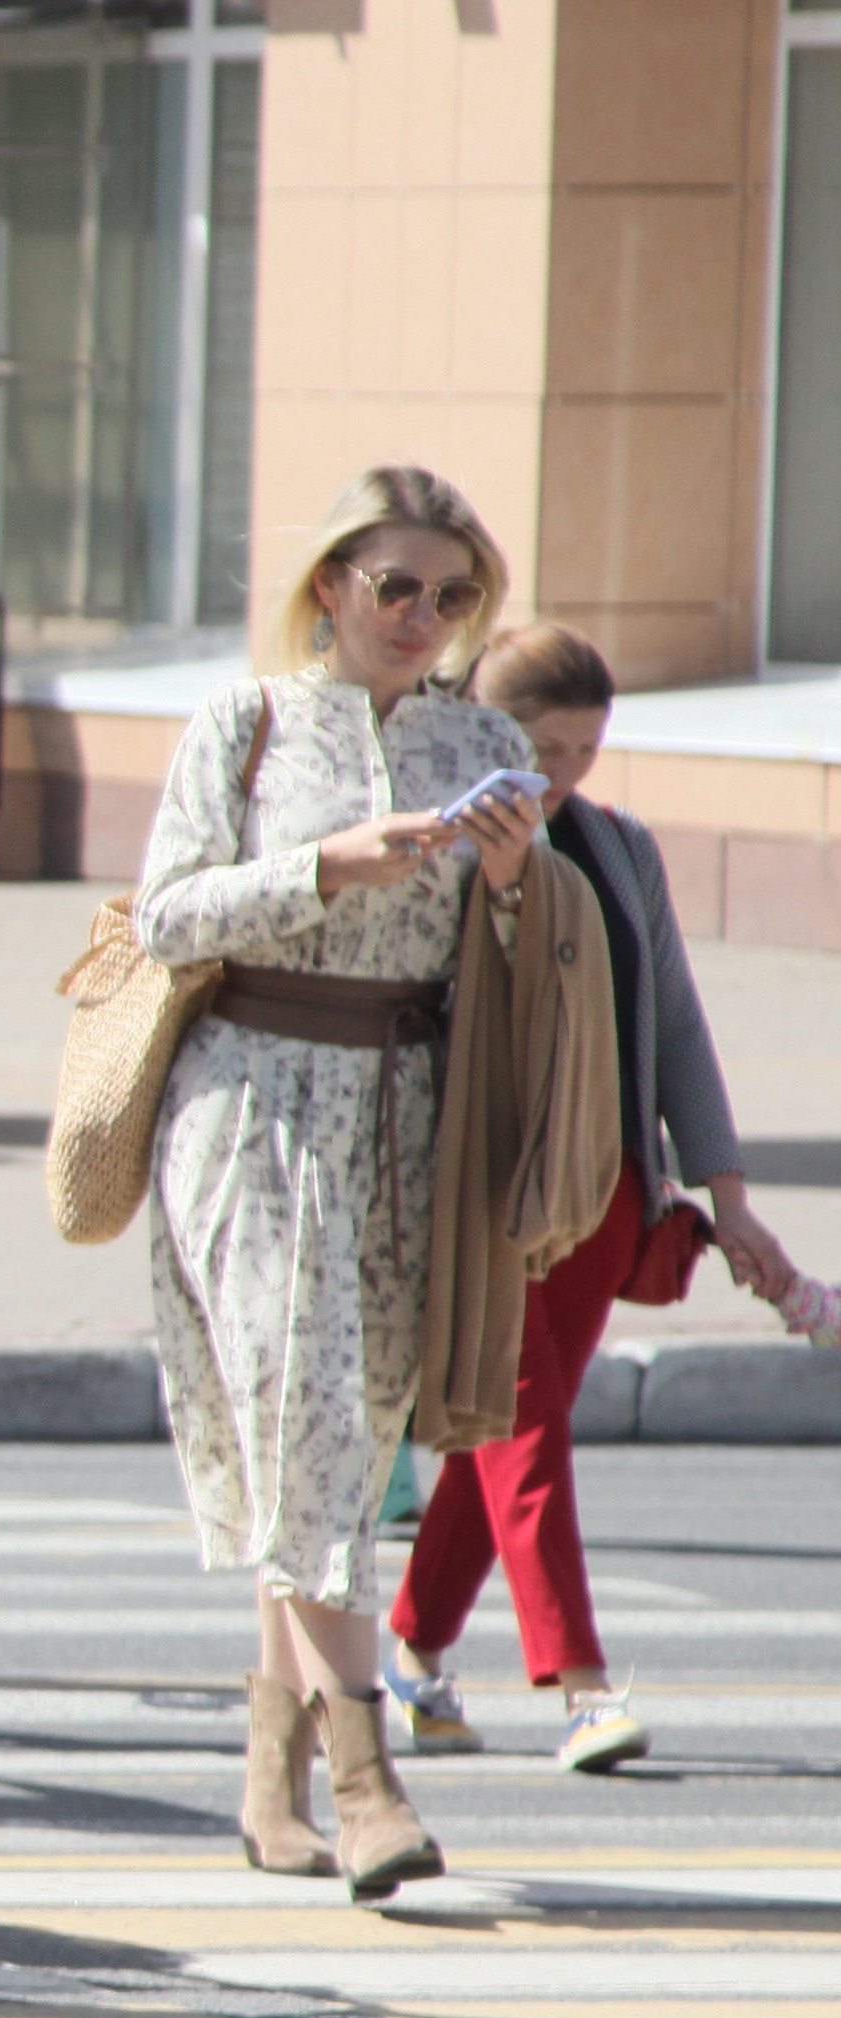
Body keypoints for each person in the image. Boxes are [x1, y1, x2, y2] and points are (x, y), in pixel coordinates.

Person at [135, 464, 541, 1900]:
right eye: (396, 588)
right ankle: (368, 1780)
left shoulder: (483, 738)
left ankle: (267, 1773)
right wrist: (321, 868)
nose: (423, 617)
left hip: (408, 1111)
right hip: (250, 1100)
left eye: (452, 595)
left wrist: (507, 885)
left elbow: (520, 962)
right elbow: (166, 913)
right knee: (301, 1422)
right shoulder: (242, 724)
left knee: (335, 1445)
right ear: (330, 588)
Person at [387, 621, 799, 1773]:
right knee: (520, 1422)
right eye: (542, 743)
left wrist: (725, 1195)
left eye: (583, 747)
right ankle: (576, 1686)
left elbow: (670, 1023)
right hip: (491, 1185)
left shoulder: (618, 847)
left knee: (497, 1436)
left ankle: (409, 1653)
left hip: (609, 1186)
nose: (563, 772)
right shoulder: (448, 848)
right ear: (482, 724)